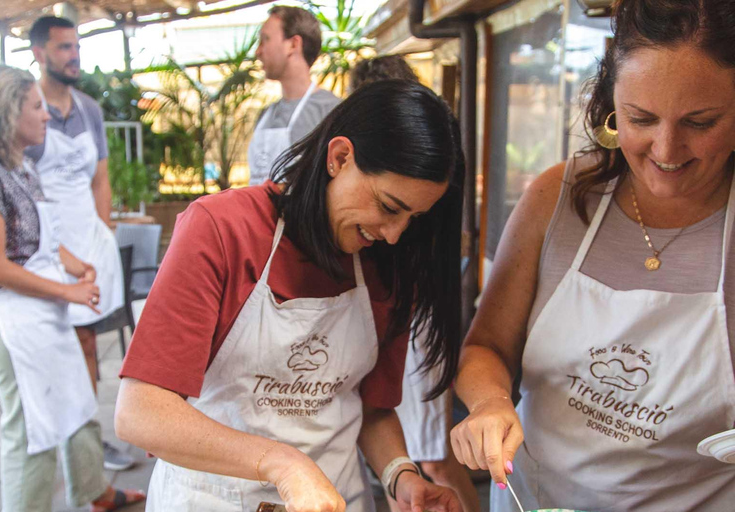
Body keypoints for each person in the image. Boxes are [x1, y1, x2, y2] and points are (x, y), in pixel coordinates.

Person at [115, 79, 464, 512]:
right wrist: (282, 463)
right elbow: (141, 412)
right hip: (213, 498)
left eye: (413, 218)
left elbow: (371, 410)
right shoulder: (222, 230)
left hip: (336, 499)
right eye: (389, 207)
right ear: (340, 158)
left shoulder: (387, 264)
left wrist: (401, 478)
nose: (394, 234)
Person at [450, 0, 735, 510]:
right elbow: (485, 348)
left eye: (701, 121)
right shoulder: (557, 196)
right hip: (533, 498)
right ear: (610, 104)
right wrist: (491, 404)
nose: (666, 149)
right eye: (640, 118)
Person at [0, 65, 145, 512]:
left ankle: (95, 492)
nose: (46, 116)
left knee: (77, 401)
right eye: (35, 106)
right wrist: (67, 291)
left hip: (41, 311)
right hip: (9, 320)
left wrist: (76, 265)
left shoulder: (21, 165)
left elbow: (36, 238)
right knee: (33, 429)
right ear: (5, 114)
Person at [349, 56, 482, 512]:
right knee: (401, 461)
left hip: (419, 320)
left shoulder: (429, 174)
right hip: (393, 318)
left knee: (433, 457)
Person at [26, 16, 133, 471]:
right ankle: (62, 445)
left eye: (76, 47)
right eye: (64, 47)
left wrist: (103, 229)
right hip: (46, 248)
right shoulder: (26, 109)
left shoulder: (88, 106)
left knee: (87, 344)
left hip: (89, 242)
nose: (74, 56)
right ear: (39, 53)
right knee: (56, 350)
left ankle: (86, 448)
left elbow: (101, 177)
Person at [248, 4, 340, 185]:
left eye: (265, 40)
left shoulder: (332, 111)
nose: (258, 52)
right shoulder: (266, 115)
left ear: (293, 44)